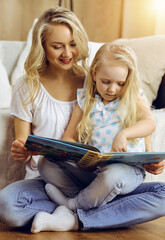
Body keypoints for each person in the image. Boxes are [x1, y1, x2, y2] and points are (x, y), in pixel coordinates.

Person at [0, 6, 165, 234]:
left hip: (103, 175)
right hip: (52, 180)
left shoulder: (99, 79)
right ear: (43, 47)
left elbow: (140, 114)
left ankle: (71, 215)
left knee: (162, 195)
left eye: (73, 44)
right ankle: (94, 214)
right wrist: (21, 151)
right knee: (6, 204)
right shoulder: (26, 87)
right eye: (57, 46)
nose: (67, 53)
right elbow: (23, 143)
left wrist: (148, 156)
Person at [36, 43, 155, 215]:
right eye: (105, 82)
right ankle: (93, 200)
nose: (112, 89)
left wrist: (123, 134)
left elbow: (150, 123)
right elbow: (69, 138)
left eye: (120, 83)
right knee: (45, 163)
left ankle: (72, 205)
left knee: (112, 176)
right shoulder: (86, 100)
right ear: (94, 74)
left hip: (127, 171)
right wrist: (81, 158)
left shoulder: (132, 97)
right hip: (96, 172)